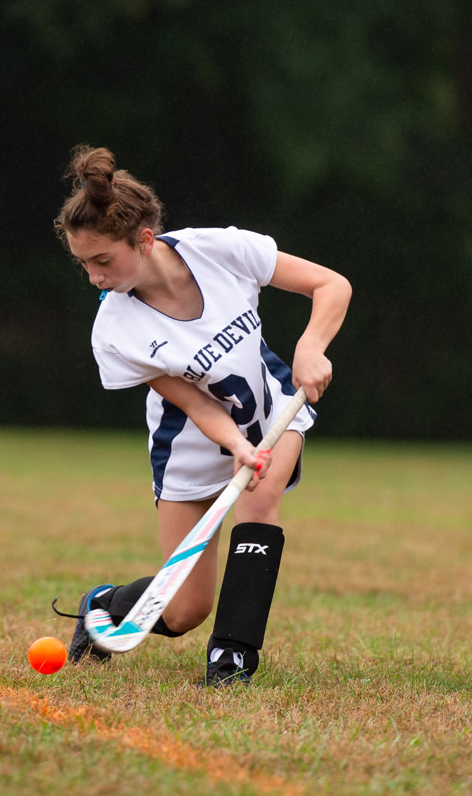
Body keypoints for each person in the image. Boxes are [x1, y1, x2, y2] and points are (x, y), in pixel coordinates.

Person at [51, 145, 351, 686]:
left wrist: (311, 347)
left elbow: (331, 284)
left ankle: (232, 658)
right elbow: (194, 402)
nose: (94, 277)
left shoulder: (219, 250)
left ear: (143, 241)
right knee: (185, 610)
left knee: (260, 500)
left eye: (103, 261)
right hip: (189, 446)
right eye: (84, 264)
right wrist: (234, 444)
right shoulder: (116, 330)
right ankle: (105, 605)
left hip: (273, 411)